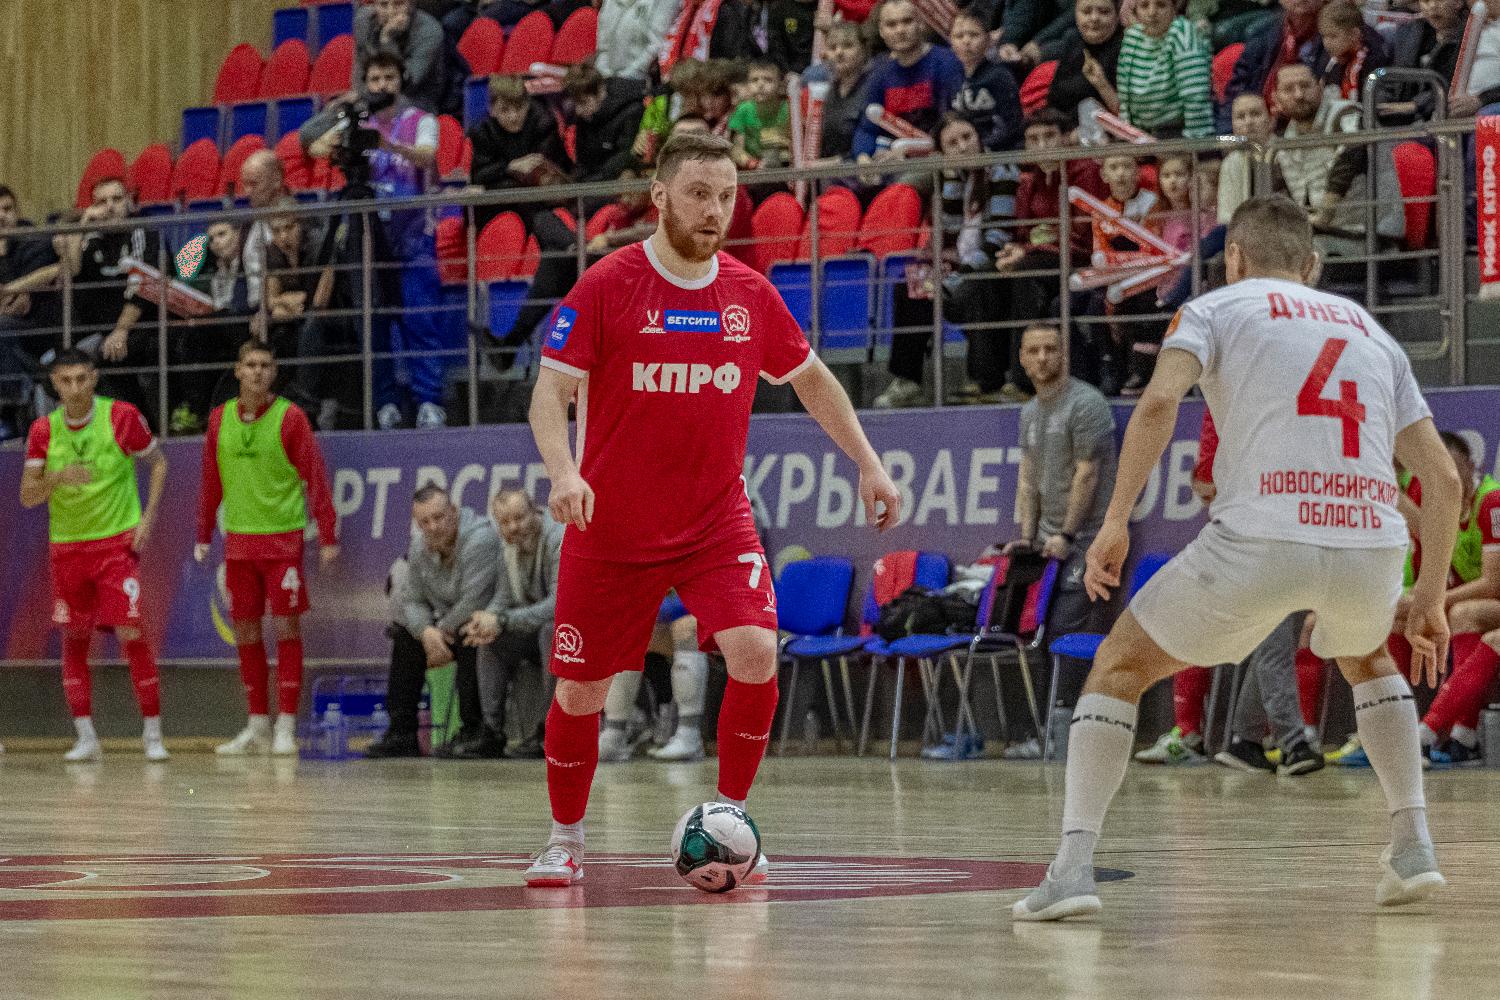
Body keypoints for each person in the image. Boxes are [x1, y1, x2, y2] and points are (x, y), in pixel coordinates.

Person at [1012, 195, 1460, 921]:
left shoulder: (1215, 308)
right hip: (1369, 542)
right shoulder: (1373, 334)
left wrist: (1116, 519)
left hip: (1263, 535)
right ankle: (1414, 848)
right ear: (1312, 264)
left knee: (1118, 667)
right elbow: (1441, 480)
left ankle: (1070, 870)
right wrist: (1431, 596)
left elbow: (1158, 405)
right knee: (1368, 657)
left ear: (1235, 259)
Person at [523, 130, 901, 886]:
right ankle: (565, 840)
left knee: (757, 651)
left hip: (714, 523)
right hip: (610, 526)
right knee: (581, 690)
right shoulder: (607, 285)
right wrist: (563, 473)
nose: (714, 210)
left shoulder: (749, 294)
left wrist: (868, 462)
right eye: (699, 193)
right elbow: (548, 392)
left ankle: (731, 825)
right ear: (660, 195)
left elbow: (813, 380)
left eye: (727, 196)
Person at [19, 349, 170, 762]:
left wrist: (148, 518)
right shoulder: (43, 431)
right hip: (68, 548)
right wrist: (56, 477)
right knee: (74, 638)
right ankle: (86, 737)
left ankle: (153, 735)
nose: (75, 388)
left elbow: (158, 464)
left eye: (82, 379)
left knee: (131, 632)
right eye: (66, 381)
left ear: (94, 378)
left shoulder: (121, 416)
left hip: (115, 545)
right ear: (54, 384)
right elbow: (28, 496)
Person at [195, 341, 339, 757]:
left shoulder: (290, 418)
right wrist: (203, 534)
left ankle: (285, 725)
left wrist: (327, 536)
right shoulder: (219, 419)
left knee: (287, 630)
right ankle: (257, 723)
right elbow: (211, 480)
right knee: (245, 632)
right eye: (250, 365)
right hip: (239, 543)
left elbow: (315, 476)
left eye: (265, 365)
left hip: (282, 542)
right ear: (237, 371)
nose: (257, 372)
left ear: (273, 372)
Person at [303, 52, 444, 430]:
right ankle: (386, 403)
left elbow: (426, 157)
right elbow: (312, 146)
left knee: (420, 323)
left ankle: (429, 402)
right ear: (365, 83)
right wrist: (342, 117)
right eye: (375, 79)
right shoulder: (359, 120)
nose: (382, 85)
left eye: (389, 78)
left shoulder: (421, 120)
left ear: (401, 81)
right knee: (375, 324)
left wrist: (387, 144)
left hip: (413, 239)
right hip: (368, 239)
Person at [1001, 324, 1118, 760]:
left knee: (1067, 633)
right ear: (1022, 358)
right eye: (1034, 350)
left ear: (1064, 354)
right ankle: (1044, 733)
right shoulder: (1030, 412)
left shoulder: (1086, 404)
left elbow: (1088, 475)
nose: (1042, 357)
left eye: (1051, 349)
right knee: (1033, 633)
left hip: (1088, 541)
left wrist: (1067, 535)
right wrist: (1027, 537)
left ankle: (1069, 735)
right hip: (1047, 544)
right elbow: (1028, 477)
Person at [367, 485, 499, 758]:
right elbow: (412, 599)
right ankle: (402, 732)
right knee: (404, 636)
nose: (433, 527)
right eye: (424, 522)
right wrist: (426, 632)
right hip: (442, 626)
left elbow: (473, 600)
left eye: (439, 517)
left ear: (454, 512)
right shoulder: (418, 545)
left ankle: (474, 730)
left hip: (482, 620)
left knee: (471, 634)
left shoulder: (480, 538)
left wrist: (437, 633)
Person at [1408, 432, 1500, 764]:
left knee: (1467, 617)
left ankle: (1428, 731)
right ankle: (1462, 734)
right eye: (1440, 466)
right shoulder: (1447, 509)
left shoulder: (1491, 502)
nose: (1448, 473)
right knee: (1452, 615)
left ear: (1470, 465)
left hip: (1493, 598)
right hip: (1482, 605)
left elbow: (1492, 583)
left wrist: (1436, 599)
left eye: (1454, 465)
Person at [460, 490, 564, 759]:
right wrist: (485, 620)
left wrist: (503, 620)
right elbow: (503, 597)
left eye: (519, 518)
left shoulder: (558, 538)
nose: (513, 527)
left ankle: (554, 731)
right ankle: (492, 732)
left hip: (574, 632)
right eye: (505, 522)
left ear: (535, 511)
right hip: (534, 630)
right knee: (490, 639)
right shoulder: (508, 547)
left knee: (551, 632)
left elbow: (560, 604)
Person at [52, 178, 162, 427]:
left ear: (129, 202)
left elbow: (142, 286)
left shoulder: (141, 232)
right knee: (56, 367)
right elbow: (71, 272)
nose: (110, 207)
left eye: (117, 199)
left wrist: (121, 330)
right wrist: (83, 224)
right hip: (100, 329)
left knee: (110, 358)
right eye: (102, 202)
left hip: (141, 324)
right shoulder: (93, 237)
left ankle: (139, 426)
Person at [852, 0, 965, 162]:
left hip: (938, 158)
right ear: (881, 31)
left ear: (921, 24)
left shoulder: (946, 62)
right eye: (891, 25)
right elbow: (867, 128)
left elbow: (952, 123)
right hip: (892, 159)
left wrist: (907, 153)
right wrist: (863, 158)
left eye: (907, 21)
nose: (900, 30)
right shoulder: (879, 72)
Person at [0, 183, 60, 439]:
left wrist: (15, 289)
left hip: (39, 328)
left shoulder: (34, 241)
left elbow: (55, 270)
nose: (2, 216)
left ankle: (11, 410)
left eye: (7, 209)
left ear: (17, 211)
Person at [1115, 0, 1213, 139]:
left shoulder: (1183, 33)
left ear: (1174, 8)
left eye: (1161, 5)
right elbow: (1125, 101)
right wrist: (1127, 137)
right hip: (1139, 134)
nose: (1152, 13)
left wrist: (1193, 145)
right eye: (1144, 6)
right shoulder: (1131, 37)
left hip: (1178, 132)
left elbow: (1195, 97)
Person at [562, 62, 648, 185]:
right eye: (575, 104)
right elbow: (583, 162)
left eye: (583, 102)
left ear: (600, 92)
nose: (578, 110)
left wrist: (588, 182)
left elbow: (627, 156)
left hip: (618, 179)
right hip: (594, 180)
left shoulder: (631, 110)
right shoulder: (586, 116)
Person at [950, 9, 1023, 152]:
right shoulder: (952, 78)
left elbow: (1012, 123)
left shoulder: (999, 76)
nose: (966, 41)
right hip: (963, 152)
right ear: (951, 42)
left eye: (974, 35)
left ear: (989, 40)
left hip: (1000, 153)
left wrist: (984, 147)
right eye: (959, 36)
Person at [354, 0, 446, 112]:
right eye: (383, 5)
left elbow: (405, 82)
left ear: (411, 4)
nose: (391, 12)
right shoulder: (363, 21)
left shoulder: (429, 31)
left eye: (398, 4)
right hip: (371, 96)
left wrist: (388, 39)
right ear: (374, 5)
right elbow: (360, 71)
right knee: (341, 111)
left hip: (417, 100)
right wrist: (361, 95)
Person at [1046, 0, 1124, 128]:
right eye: (1086, 12)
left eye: (1104, 12)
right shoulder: (1072, 42)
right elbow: (1054, 100)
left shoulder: (1127, 49)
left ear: (1117, 15)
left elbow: (1130, 117)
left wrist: (1102, 85)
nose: (1094, 18)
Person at [817, 23, 874, 161]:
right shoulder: (829, 92)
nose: (839, 52)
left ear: (864, 50)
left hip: (863, 166)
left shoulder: (873, 86)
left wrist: (837, 162)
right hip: (828, 168)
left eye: (848, 46)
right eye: (832, 47)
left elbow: (873, 138)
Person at [729, 60, 792, 170]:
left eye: (768, 80)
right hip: (755, 169)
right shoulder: (743, 110)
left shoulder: (789, 108)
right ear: (747, 85)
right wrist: (754, 164)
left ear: (780, 84)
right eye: (754, 80)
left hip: (787, 166)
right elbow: (736, 150)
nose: (760, 85)